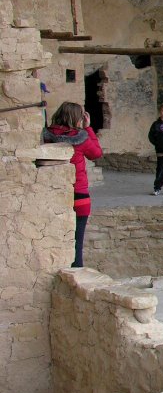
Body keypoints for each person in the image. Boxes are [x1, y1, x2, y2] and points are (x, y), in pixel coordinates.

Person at [42, 101, 102, 268]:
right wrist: (88, 128)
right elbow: (96, 154)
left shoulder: (47, 136)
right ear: (78, 118)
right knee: (77, 242)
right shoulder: (80, 138)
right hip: (79, 193)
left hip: (55, 193)